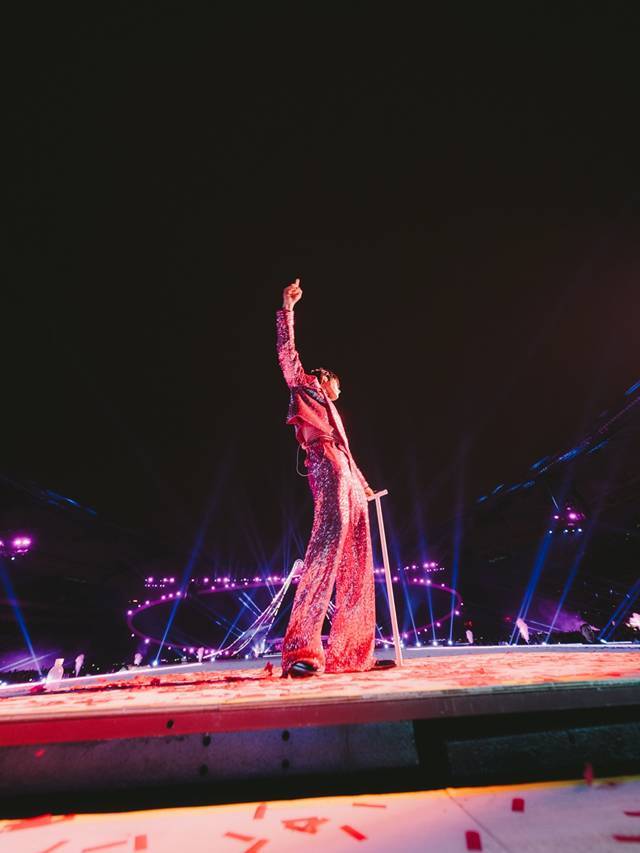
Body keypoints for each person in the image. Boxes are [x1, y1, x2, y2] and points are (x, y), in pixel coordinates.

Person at [276, 278, 394, 677]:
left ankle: (352, 654)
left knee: (358, 558)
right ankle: (302, 650)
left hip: (346, 471)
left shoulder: (334, 413)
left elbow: (346, 451)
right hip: (326, 466)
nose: (340, 391)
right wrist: (288, 309)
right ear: (325, 379)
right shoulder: (305, 386)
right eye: (338, 385)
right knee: (326, 549)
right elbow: (286, 354)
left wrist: (364, 485)